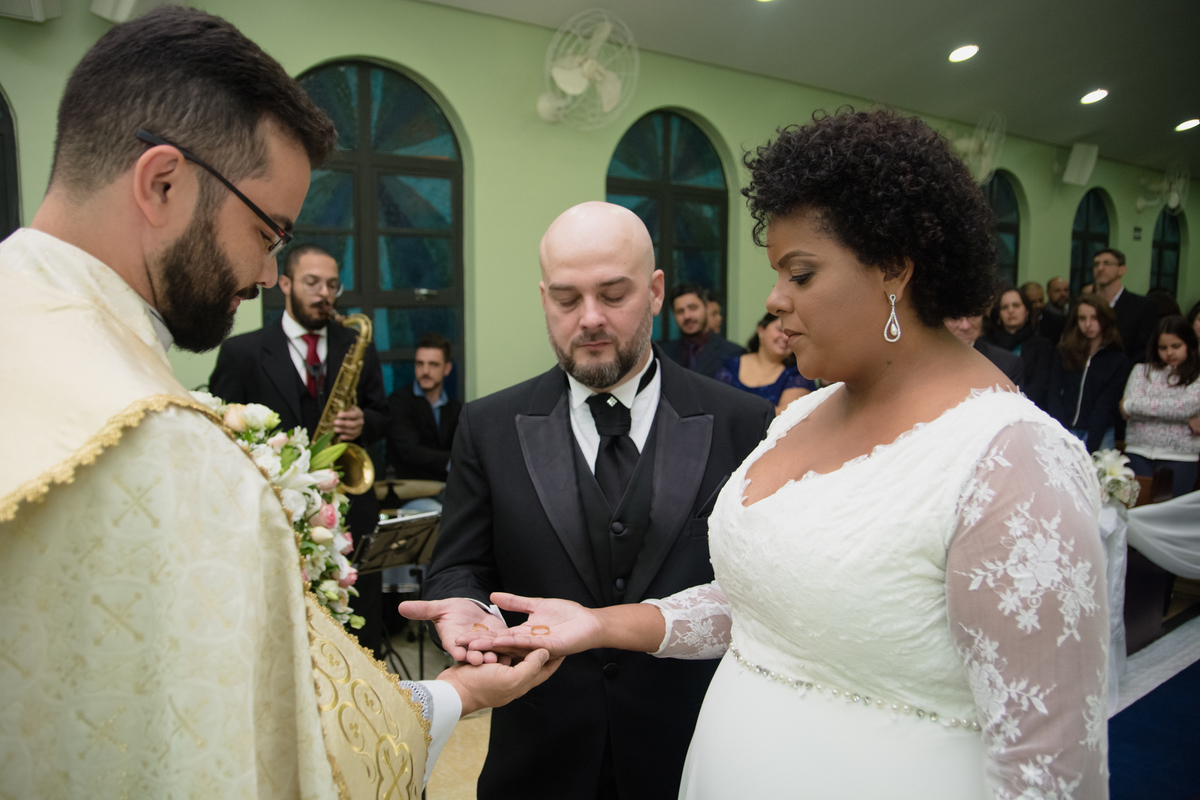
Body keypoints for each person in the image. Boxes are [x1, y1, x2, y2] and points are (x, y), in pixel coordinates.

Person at [442, 110, 1109, 800]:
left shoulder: (1015, 461)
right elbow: (762, 602)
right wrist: (601, 625)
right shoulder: (809, 415)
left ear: (893, 270)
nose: (773, 301)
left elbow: (1048, 770)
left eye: (800, 274)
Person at [0, 9, 559, 798]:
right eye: (269, 231)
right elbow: (276, 747)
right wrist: (459, 694)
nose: (268, 275)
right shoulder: (163, 450)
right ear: (162, 183)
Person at [405, 201, 774, 800]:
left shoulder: (740, 422)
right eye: (567, 299)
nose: (590, 319)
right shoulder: (489, 425)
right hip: (539, 759)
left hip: (691, 757)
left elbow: (759, 593)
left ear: (655, 292)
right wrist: (461, 604)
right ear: (544, 297)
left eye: (613, 294)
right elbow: (458, 564)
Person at [209, 242, 390, 653]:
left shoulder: (355, 343)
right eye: (312, 282)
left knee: (360, 630)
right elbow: (223, 435)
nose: (324, 293)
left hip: (349, 504)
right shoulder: (242, 353)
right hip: (277, 512)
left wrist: (365, 421)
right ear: (285, 284)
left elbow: (383, 417)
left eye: (331, 285)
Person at [1120, 315, 1200, 497]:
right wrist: (1184, 417)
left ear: (1189, 344)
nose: (1169, 353)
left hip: (1180, 457)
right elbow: (1127, 407)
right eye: (1163, 348)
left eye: (1176, 346)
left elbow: (1185, 406)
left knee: (1172, 517)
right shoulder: (1141, 370)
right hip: (1138, 452)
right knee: (1137, 513)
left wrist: (1136, 406)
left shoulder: (1197, 374)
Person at [1047, 294, 1130, 452]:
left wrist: (1090, 445)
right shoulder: (1065, 352)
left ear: (1105, 319)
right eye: (1082, 318)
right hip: (1064, 429)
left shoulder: (1117, 360)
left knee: (1098, 475)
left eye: (1095, 318)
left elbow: (1105, 405)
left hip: (1101, 433)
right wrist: (1061, 430)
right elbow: (1054, 393)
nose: (1088, 324)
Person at [387, 332, 462, 488]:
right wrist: (453, 460)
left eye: (433, 364)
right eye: (420, 364)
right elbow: (410, 451)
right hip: (410, 492)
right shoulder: (399, 401)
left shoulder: (455, 408)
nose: (425, 371)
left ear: (447, 368)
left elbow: (463, 449)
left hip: (449, 490)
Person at [714, 311, 815, 412]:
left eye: (791, 334)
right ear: (761, 329)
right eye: (780, 330)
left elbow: (787, 415)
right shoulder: (731, 365)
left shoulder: (799, 373)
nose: (785, 338)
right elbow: (716, 407)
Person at [986, 286, 1053, 409]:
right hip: (993, 410)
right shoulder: (987, 345)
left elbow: (1040, 385)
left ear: (1027, 311)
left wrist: (1017, 406)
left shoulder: (1043, 346)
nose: (1010, 310)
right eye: (1005, 307)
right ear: (999, 314)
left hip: (1030, 409)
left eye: (1016, 305)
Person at [660, 283, 745, 378]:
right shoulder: (663, 354)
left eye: (693, 308)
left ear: (706, 308)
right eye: (680, 311)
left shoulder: (733, 353)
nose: (687, 316)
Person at [1092, 248, 1157, 364]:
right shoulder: (1083, 305)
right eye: (1096, 264)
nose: (1100, 268)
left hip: (1125, 373)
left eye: (1107, 263)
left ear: (1122, 270)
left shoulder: (1142, 306)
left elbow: (1144, 350)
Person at [944, 313, 1024, 386]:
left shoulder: (1007, 364)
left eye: (973, 315)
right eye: (954, 317)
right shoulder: (932, 362)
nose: (965, 326)